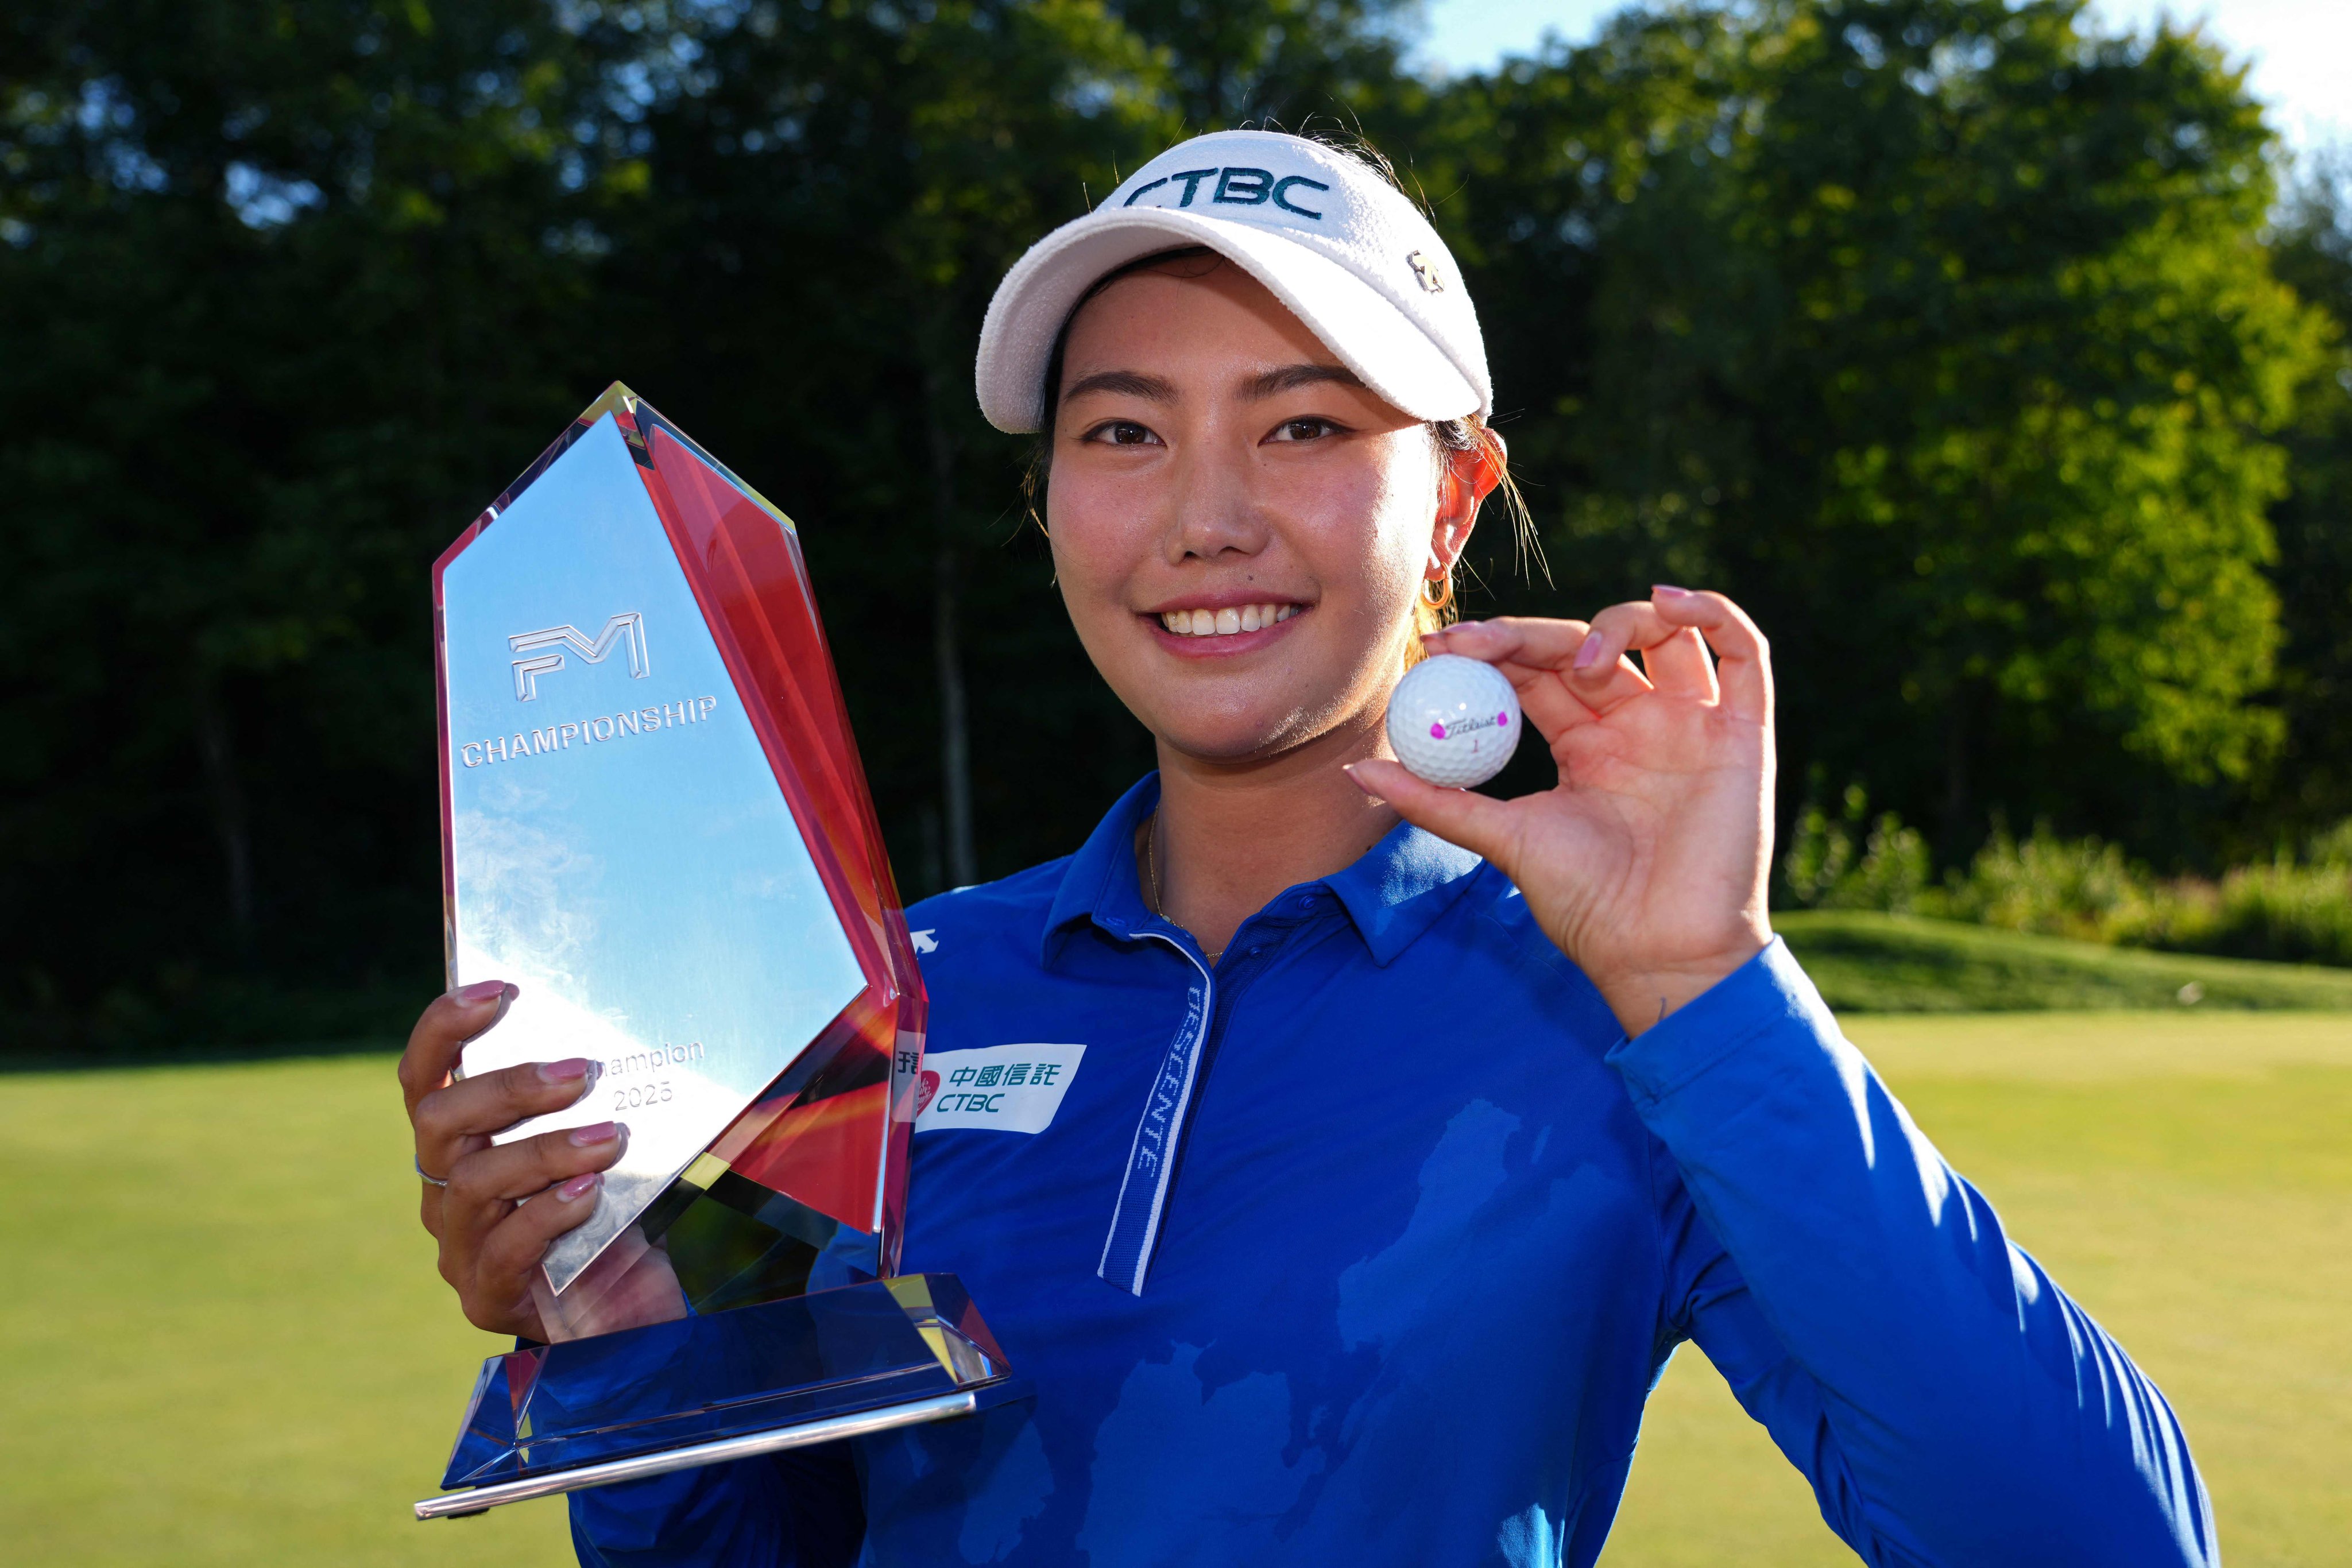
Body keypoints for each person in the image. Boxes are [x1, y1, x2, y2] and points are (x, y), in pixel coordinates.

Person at [399, 130, 2216, 1567]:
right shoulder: (896, 990)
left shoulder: (1619, 1013)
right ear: (1049, 506)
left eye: (1308, 425)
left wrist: (1704, 984)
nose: (1205, 516)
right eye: (1125, 430)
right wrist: (629, 1332)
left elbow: (2103, 1544)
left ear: (1459, 501)